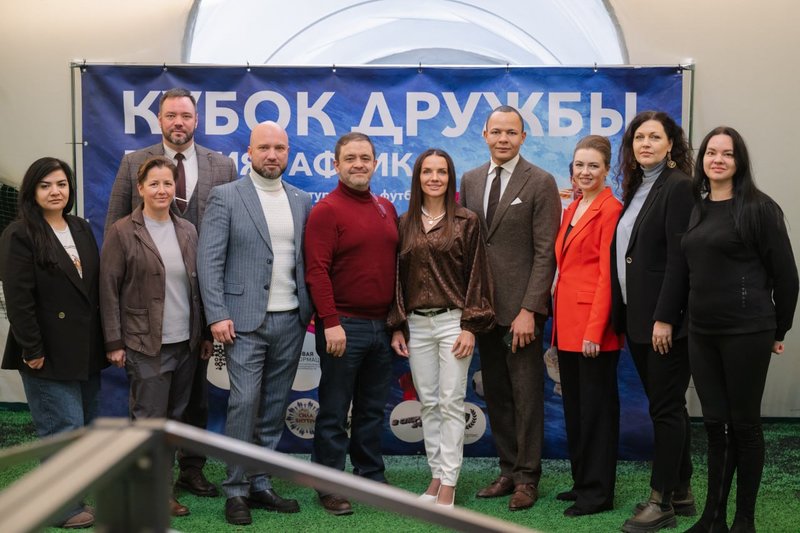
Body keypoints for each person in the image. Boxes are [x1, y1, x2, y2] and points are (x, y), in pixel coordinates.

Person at [105, 87, 238, 498]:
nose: (178, 122)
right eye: (170, 115)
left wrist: (212, 318)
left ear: (197, 120)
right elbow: (114, 234)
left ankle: (190, 471)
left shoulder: (223, 166)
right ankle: (151, 488)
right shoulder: (134, 163)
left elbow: (230, 240)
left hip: (196, 314)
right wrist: (114, 335)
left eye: (186, 115)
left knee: (194, 401)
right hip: (147, 320)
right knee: (152, 406)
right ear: (159, 120)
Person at [682, 127, 798, 533]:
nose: (717, 160)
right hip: (701, 333)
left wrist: (779, 330)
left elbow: (787, 276)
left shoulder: (759, 208)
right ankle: (713, 517)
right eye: (711, 153)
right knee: (715, 426)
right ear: (702, 161)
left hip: (747, 332)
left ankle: (743, 520)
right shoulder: (698, 208)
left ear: (739, 161)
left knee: (745, 425)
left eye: (727, 154)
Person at [197, 121, 312, 526]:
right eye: (264, 147)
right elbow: (209, 260)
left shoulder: (301, 200)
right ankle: (235, 489)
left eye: (279, 148)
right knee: (244, 403)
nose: (272, 155)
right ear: (249, 152)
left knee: (274, 406)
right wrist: (216, 314)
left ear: (288, 152)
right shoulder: (226, 196)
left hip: (291, 319)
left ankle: (261, 483)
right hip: (243, 322)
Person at [459, 105, 561, 511]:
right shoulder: (469, 180)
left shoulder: (541, 181)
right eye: (497, 132)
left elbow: (545, 252)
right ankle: (507, 470)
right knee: (496, 393)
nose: (503, 139)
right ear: (485, 134)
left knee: (526, 396)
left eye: (511, 132)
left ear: (523, 137)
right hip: (484, 311)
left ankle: (528, 478)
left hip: (521, 315)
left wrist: (530, 310)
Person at [100, 156, 212, 517]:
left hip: (186, 344)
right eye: (154, 184)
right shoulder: (122, 231)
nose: (162, 190)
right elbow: (108, 289)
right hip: (144, 344)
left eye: (168, 183)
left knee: (174, 421)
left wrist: (204, 333)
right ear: (140, 188)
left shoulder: (188, 230)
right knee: (149, 422)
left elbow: (197, 288)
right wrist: (114, 342)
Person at [1, 157, 106, 529]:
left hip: (85, 350)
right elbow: (19, 299)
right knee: (62, 430)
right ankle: (61, 507)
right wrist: (32, 349)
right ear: (32, 191)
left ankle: (72, 497)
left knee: (83, 429)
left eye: (61, 184)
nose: (55, 191)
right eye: (45, 185)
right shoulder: (20, 233)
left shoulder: (80, 227)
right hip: (44, 353)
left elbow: (90, 289)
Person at [388, 149, 495, 508]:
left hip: (453, 322)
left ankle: (449, 480)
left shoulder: (467, 221)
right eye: (427, 172)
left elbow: (478, 275)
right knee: (429, 403)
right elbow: (396, 279)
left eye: (442, 172)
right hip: (417, 325)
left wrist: (470, 326)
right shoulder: (405, 223)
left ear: (451, 178)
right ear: (417, 178)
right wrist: (397, 326)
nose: (434, 178)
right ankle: (435, 475)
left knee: (451, 402)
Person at [304, 132, 399, 516]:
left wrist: (396, 324)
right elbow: (316, 271)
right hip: (343, 326)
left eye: (365, 158)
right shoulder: (326, 210)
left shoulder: (385, 207)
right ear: (336, 164)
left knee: (372, 410)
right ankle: (329, 485)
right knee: (334, 410)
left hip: (382, 327)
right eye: (350, 158)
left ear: (375, 164)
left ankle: (369, 475)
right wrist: (330, 322)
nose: (358, 164)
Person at [611, 110, 695, 533]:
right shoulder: (639, 185)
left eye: (654, 137)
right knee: (667, 405)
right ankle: (682, 490)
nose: (645, 144)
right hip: (638, 318)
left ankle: (660, 501)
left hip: (664, 323)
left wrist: (665, 318)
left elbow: (681, 259)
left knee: (665, 409)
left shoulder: (678, 186)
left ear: (671, 144)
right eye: (639, 137)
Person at [551, 135, 623, 516]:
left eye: (593, 165)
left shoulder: (611, 210)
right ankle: (582, 483)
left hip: (593, 331)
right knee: (576, 411)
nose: (585, 172)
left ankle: (598, 494)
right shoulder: (574, 207)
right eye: (579, 165)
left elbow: (608, 276)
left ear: (607, 170)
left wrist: (595, 330)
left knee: (597, 415)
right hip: (567, 326)